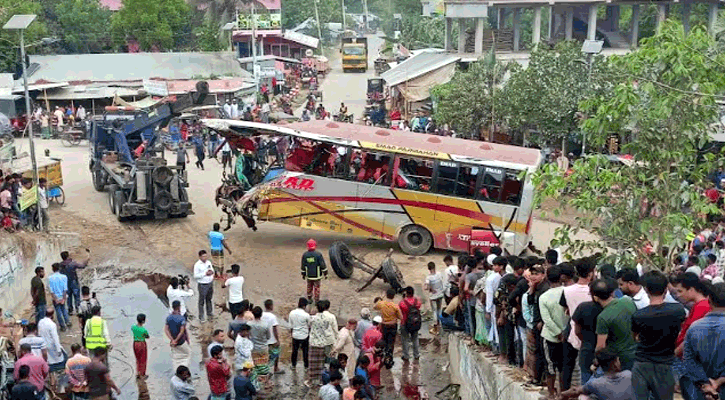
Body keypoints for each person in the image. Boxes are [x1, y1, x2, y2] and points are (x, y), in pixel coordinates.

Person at [630, 271, 686, 400]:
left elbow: (635, 337)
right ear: (666, 289)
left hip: (642, 363)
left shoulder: (639, 315)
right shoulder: (677, 310)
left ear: (646, 289)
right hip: (665, 364)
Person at [682, 282, 725, 400]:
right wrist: (720, 381)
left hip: (701, 391)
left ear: (709, 300)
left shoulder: (694, 328)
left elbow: (689, 360)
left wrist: (705, 383)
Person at [559, 260, 594, 390]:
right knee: (587, 366)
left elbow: (565, 309)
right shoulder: (594, 290)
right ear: (591, 273)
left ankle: (564, 393)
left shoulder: (567, 290)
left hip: (573, 328)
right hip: (591, 331)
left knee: (567, 365)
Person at [592, 278, 637, 371]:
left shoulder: (603, 317)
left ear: (595, 297)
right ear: (612, 293)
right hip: (636, 354)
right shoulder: (628, 301)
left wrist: (595, 364)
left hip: (618, 360)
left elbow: (600, 347)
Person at [539, 266, 568, 398]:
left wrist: (557, 333)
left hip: (551, 336)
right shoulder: (567, 292)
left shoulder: (544, 297)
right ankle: (562, 394)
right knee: (563, 367)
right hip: (567, 335)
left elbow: (547, 320)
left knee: (550, 368)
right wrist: (563, 333)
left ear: (546, 278)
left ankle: (551, 394)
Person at [560, 348, 635, 400]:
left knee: (584, 396)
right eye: (618, 360)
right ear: (615, 364)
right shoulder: (628, 374)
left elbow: (575, 390)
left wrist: (562, 395)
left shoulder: (596, 383)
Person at [309, 301, 334, 383]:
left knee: (313, 363)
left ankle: (312, 380)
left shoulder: (312, 318)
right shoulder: (327, 319)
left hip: (313, 342)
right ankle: (320, 380)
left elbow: (309, 325)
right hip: (322, 342)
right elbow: (326, 328)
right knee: (321, 363)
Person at [60, 249, 90, 316]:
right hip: (74, 282)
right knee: (77, 296)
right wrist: (87, 259)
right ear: (67, 256)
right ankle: (78, 310)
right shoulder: (72, 263)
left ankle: (70, 310)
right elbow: (82, 266)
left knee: (69, 297)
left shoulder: (60, 265)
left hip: (66, 283)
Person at [374, 288, 402, 356]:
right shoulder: (395, 306)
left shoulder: (382, 304)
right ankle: (389, 356)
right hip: (393, 325)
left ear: (386, 295)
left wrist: (381, 297)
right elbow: (401, 317)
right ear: (394, 296)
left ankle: (383, 355)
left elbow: (374, 307)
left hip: (384, 325)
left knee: (384, 340)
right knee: (391, 342)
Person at [165, 301, 191, 370]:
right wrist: (176, 340)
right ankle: (184, 371)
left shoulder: (168, 318)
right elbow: (182, 331)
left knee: (176, 358)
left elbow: (166, 330)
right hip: (181, 341)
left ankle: (177, 372)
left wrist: (172, 340)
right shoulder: (181, 318)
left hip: (173, 344)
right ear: (179, 307)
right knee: (186, 355)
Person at [38, 308, 65, 373]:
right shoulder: (52, 324)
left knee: (49, 361)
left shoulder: (40, 322)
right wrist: (58, 349)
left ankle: (51, 373)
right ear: (52, 315)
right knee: (59, 359)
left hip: (43, 345)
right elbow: (55, 337)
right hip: (52, 345)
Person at [398, 286, 422, 361]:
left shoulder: (402, 303)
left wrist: (403, 298)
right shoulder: (417, 301)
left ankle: (406, 356)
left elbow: (400, 309)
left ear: (406, 293)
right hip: (415, 322)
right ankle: (416, 354)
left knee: (405, 340)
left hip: (404, 323)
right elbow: (419, 305)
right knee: (415, 339)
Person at [301, 239, 328, 304]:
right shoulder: (318, 254)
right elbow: (322, 265)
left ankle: (309, 298)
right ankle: (316, 300)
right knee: (317, 288)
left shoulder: (305, 255)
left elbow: (303, 265)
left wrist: (303, 274)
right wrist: (325, 273)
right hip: (317, 276)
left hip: (309, 276)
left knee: (309, 287)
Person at [48, 263, 70, 331]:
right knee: (64, 309)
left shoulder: (50, 278)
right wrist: (63, 298)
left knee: (58, 312)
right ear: (59, 268)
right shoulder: (64, 277)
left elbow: (51, 291)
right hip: (62, 296)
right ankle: (67, 322)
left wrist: (55, 299)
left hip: (55, 297)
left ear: (53, 269)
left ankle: (62, 326)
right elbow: (65, 289)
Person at [262, 299, 282, 375]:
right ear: (270, 306)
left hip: (264, 339)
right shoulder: (273, 317)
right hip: (272, 339)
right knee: (276, 353)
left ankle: (265, 369)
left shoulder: (261, 315)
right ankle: (276, 368)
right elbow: (275, 329)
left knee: (265, 355)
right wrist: (277, 340)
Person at [289, 297, 311, 369]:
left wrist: (291, 335)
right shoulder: (306, 315)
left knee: (294, 351)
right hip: (304, 336)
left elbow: (291, 326)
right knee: (305, 351)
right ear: (304, 306)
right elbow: (309, 325)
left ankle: (293, 365)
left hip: (295, 335)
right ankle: (306, 366)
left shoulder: (292, 313)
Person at [194, 250, 215, 322]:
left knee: (209, 299)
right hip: (202, 285)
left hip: (210, 283)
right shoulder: (197, 265)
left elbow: (212, 270)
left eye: (206, 256)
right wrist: (205, 274)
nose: (205, 258)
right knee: (201, 301)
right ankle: (201, 316)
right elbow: (196, 276)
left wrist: (212, 272)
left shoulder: (208, 262)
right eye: (203, 256)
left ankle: (209, 313)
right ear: (200, 257)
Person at [425, 262, 445, 329]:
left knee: (434, 310)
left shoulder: (428, 277)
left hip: (433, 296)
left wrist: (430, 289)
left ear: (428, 269)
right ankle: (440, 323)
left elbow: (427, 287)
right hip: (440, 294)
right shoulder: (439, 274)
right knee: (439, 309)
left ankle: (435, 323)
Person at [132, 313, 150, 379]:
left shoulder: (133, 327)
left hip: (135, 343)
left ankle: (138, 372)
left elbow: (133, 330)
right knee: (143, 359)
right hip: (142, 344)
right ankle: (142, 374)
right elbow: (147, 336)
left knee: (138, 358)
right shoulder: (144, 330)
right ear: (144, 321)